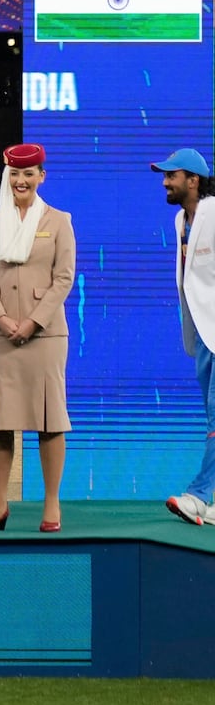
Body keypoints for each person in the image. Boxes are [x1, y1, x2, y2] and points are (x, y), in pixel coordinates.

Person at [0, 143, 75, 532]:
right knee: (1, 422)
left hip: (44, 336)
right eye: (15, 174)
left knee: (50, 421)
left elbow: (64, 278)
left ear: (41, 176)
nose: (21, 180)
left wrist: (33, 322)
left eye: (29, 173)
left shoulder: (59, 220)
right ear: (7, 177)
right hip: (1, 335)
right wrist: (0, 318)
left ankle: (52, 505)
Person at [154, 149, 215, 525]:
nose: (165, 182)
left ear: (193, 180)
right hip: (204, 336)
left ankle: (199, 495)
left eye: (171, 175)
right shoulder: (181, 219)